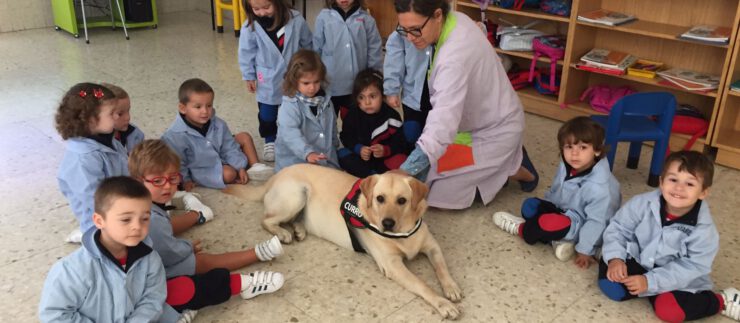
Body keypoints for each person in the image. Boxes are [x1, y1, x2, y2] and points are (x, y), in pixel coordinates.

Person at [394, 0, 539, 209]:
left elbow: (442, 122)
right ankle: (501, 161)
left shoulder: (454, 58)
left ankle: (514, 168)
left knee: (437, 192)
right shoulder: (455, 19)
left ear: (437, 15)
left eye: (415, 29)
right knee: (430, 174)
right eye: (404, 29)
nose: (409, 37)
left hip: (497, 129)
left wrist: (404, 170)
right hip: (472, 124)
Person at [129, 140, 286, 321]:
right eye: (158, 181)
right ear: (138, 181)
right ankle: (257, 254)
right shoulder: (150, 218)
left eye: (173, 178)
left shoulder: (144, 204)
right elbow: (170, 252)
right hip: (151, 279)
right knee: (201, 263)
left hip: (147, 273)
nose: (167, 186)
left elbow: (163, 235)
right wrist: (187, 247)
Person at [599, 151, 740, 322]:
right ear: (661, 182)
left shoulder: (704, 231)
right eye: (673, 180)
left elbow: (693, 266)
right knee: (610, 285)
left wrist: (649, 282)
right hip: (640, 260)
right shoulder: (641, 203)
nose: (679, 188)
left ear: (703, 192)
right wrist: (615, 258)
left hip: (674, 277)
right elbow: (618, 228)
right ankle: (646, 289)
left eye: (689, 183)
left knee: (670, 311)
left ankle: (721, 300)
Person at [492, 117, 621, 267]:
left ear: (597, 150)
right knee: (530, 206)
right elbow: (557, 190)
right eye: (569, 147)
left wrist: (585, 250)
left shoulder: (600, 188)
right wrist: (547, 208)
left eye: (583, 148)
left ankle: (522, 229)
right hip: (564, 209)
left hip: (582, 224)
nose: (574, 154)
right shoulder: (567, 164)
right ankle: (556, 240)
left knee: (547, 224)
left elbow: (596, 222)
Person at [39, 177, 167, 322]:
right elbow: (55, 315)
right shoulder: (71, 270)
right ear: (99, 221)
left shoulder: (150, 258)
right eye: (126, 220)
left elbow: (152, 299)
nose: (137, 226)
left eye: (144, 218)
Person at [162, 78, 273, 191]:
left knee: (244, 137)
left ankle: (255, 168)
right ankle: (240, 168)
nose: (205, 111)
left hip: (219, 154)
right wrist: (185, 180)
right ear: (183, 108)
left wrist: (240, 167)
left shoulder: (219, 124)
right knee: (229, 174)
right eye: (198, 107)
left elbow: (229, 147)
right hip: (202, 167)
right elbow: (179, 162)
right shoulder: (174, 136)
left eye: (209, 105)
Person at [239, 0, 313, 162]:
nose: (262, 12)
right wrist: (249, 76)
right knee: (267, 112)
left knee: (293, 108)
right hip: (267, 78)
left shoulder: (296, 19)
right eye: (256, 9)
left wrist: (310, 67)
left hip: (293, 75)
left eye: (266, 7)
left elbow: (308, 43)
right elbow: (246, 53)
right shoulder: (250, 26)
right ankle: (270, 139)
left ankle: (293, 137)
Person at [56, 83, 129, 243]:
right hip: (101, 223)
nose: (117, 117)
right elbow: (95, 199)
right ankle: (85, 235)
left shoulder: (108, 139)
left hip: (121, 205)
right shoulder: (82, 159)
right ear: (90, 120)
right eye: (112, 114)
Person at [313, 0, 382, 119]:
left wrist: (375, 78)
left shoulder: (367, 19)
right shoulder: (323, 17)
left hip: (356, 85)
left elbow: (374, 51)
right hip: (330, 84)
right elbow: (316, 49)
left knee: (354, 123)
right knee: (327, 122)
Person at [275, 49, 339, 172]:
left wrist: (334, 145)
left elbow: (332, 127)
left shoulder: (326, 101)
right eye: (306, 83)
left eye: (316, 82)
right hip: (294, 164)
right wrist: (307, 153)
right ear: (294, 81)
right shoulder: (289, 105)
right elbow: (290, 134)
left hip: (324, 160)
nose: (312, 87)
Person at [339, 69, 407, 177]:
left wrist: (385, 150)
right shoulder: (352, 115)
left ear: (383, 95)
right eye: (361, 97)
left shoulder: (391, 116)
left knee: (403, 160)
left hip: (384, 159)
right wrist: (359, 149)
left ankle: (378, 176)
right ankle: (372, 176)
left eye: (372, 96)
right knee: (342, 154)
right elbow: (346, 137)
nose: (367, 102)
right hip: (361, 159)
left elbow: (401, 142)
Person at [383, 28, 433, 152]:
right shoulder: (399, 35)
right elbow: (393, 62)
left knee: (434, 138)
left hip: (439, 98)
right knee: (411, 135)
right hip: (413, 97)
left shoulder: (440, 28)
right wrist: (391, 90)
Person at [101, 82, 145, 155]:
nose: (128, 117)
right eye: (120, 114)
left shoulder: (135, 134)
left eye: (128, 110)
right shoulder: (96, 147)